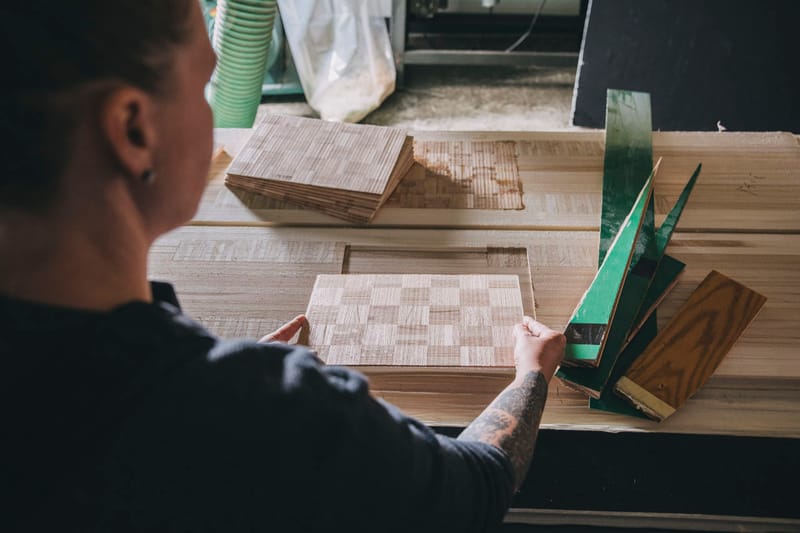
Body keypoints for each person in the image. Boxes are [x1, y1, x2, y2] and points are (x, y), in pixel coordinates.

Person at [0, 1, 565, 531]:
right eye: (202, 85)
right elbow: (476, 486)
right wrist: (531, 375)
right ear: (133, 130)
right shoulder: (269, 417)